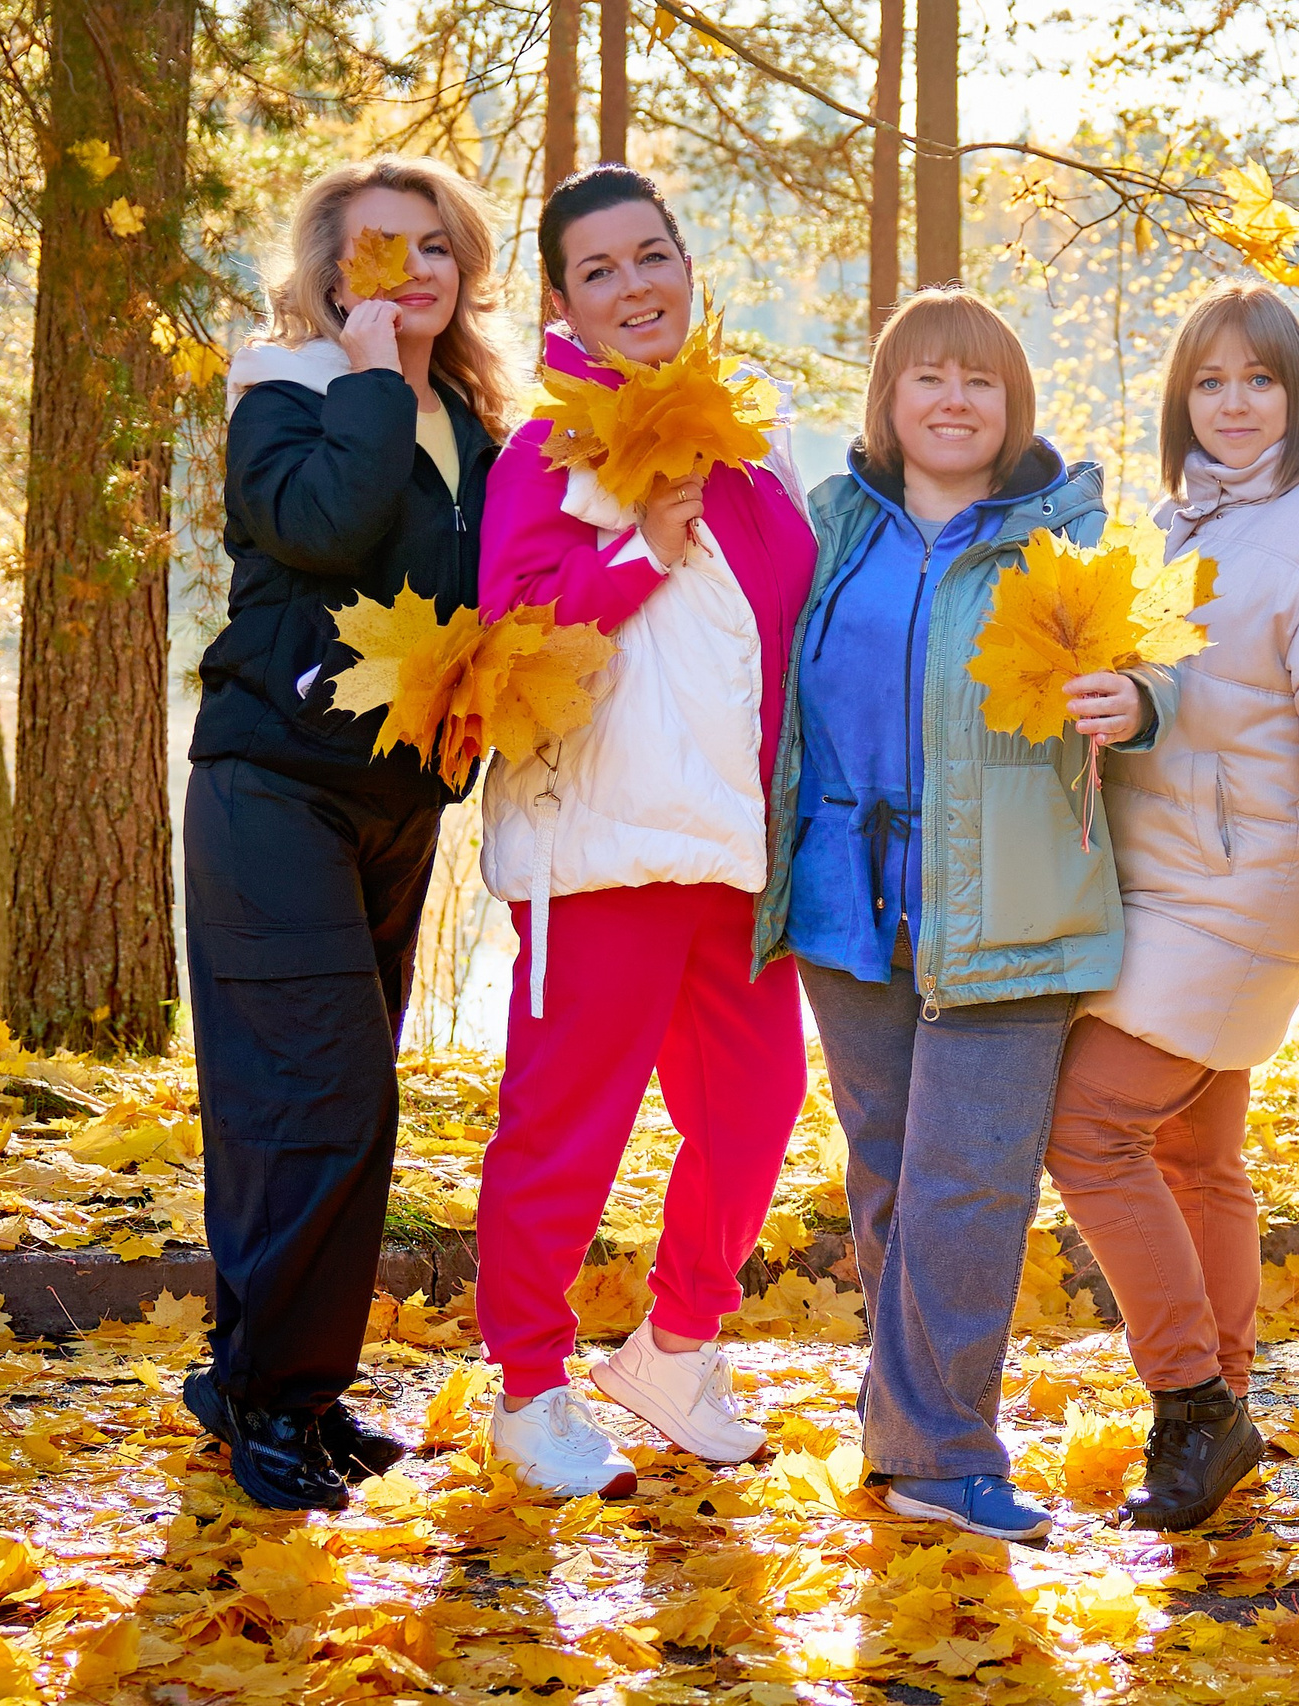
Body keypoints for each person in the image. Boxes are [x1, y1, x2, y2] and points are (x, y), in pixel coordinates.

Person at [752, 286, 1160, 1543]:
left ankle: (946, 1446)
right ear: (886, 402)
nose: (952, 399)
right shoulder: (835, 530)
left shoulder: (1065, 533)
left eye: (979, 380)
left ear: (1012, 406)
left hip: (1011, 901)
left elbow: (1158, 664)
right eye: (926, 376)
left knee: (966, 1182)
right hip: (847, 897)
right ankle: (909, 1434)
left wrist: (1140, 700)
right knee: (885, 1177)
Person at [1044, 283, 1299, 1531]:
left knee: (1086, 1125)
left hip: (1243, 882)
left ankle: (1191, 1400)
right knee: (1195, 1155)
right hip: (1163, 874)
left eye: (1258, 380)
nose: (1233, 404)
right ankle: (1229, 1405)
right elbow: (1172, 689)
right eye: (1209, 383)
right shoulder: (1175, 521)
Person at [463, 165, 816, 1496]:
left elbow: (796, 638)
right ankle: (533, 1384)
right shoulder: (543, 452)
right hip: (600, 855)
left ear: (686, 264)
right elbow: (512, 642)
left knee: (756, 1111)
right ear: (561, 299)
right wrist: (635, 556)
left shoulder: (748, 449)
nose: (634, 286)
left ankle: (675, 1347)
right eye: (599, 270)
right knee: (567, 1126)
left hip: (737, 854)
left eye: (652, 255)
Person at [182, 156, 516, 1512]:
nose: (413, 271)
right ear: (331, 274)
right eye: (381, 251)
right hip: (273, 787)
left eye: (435, 248)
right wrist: (374, 377)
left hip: (395, 802)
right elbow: (318, 526)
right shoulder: (291, 388)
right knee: (314, 1099)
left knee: (336, 1107)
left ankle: (281, 1384)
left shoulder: (476, 427)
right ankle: (268, 1396)